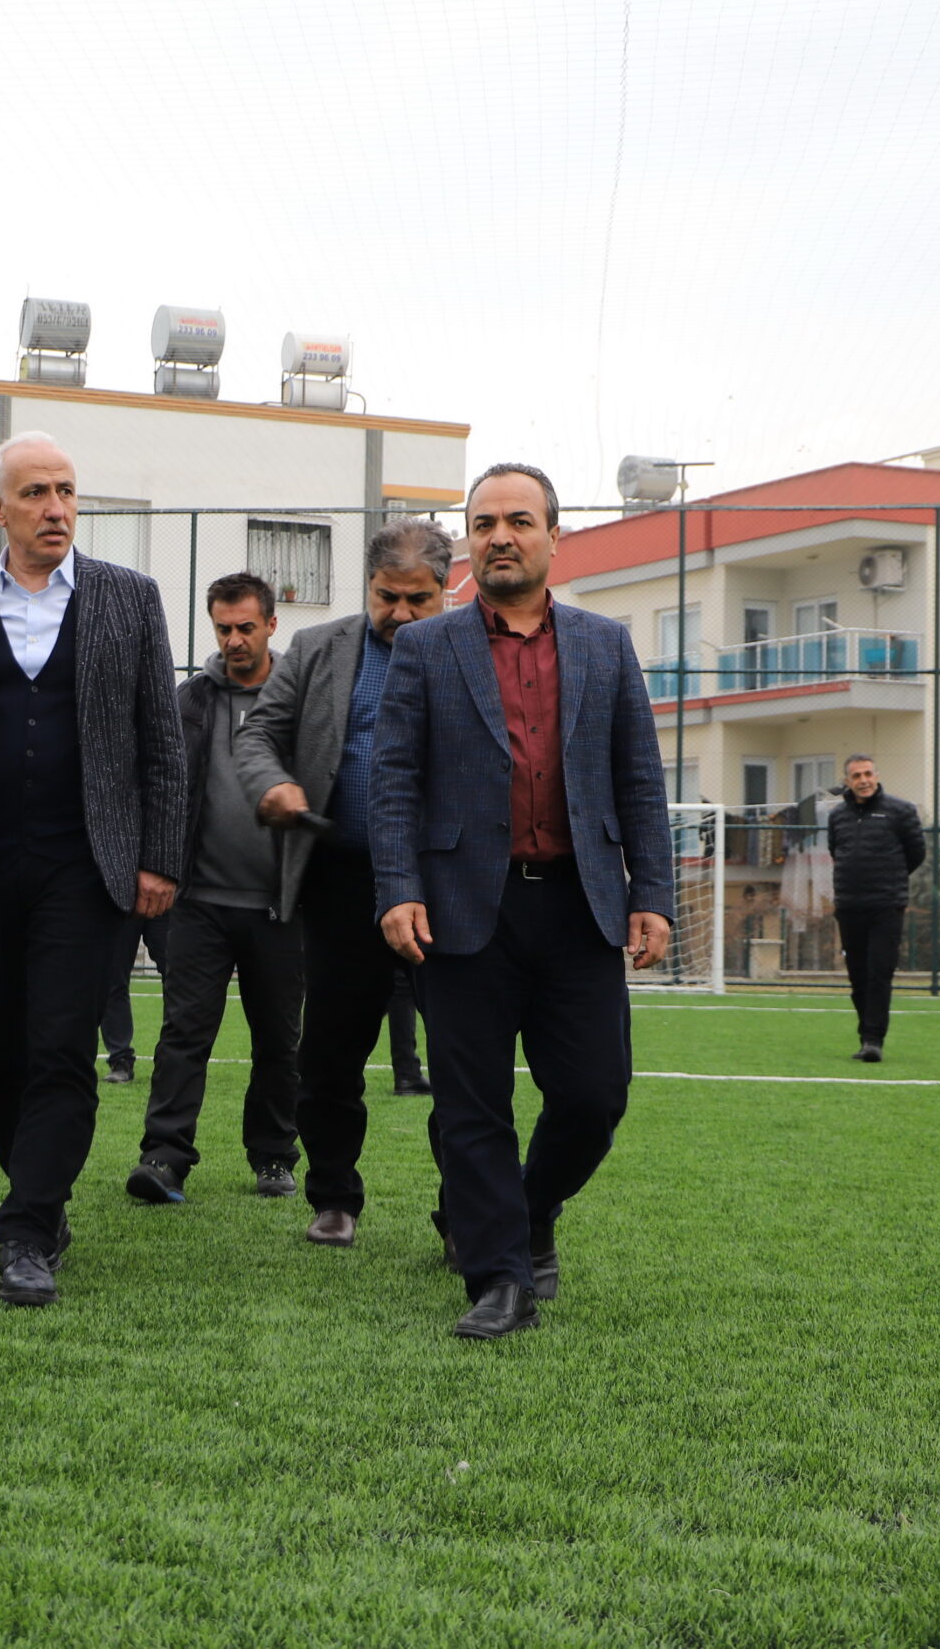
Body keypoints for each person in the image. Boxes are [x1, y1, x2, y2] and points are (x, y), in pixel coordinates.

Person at [0, 431, 184, 1306]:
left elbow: (162, 744)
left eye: (66, 491)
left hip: (88, 865)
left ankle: (25, 1227)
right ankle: (41, 1197)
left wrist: (160, 857)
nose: (56, 508)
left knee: (61, 1049)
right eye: (37, 493)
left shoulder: (130, 598)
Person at [371, 463, 673, 1340]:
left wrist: (652, 892)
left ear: (553, 536)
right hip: (462, 908)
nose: (500, 535)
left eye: (519, 520)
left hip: (580, 907)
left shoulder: (605, 645)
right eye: (484, 523)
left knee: (594, 1096)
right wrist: (397, 888)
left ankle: (530, 1212)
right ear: (469, 540)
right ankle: (500, 1278)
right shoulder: (426, 648)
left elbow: (639, 778)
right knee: (472, 1107)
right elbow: (393, 780)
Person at [232, 519, 453, 1248]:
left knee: (463, 1059)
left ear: (446, 591)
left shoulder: (473, 652)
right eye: (387, 596)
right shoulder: (317, 648)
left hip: (446, 885)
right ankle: (332, 1196)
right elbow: (258, 735)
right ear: (368, 586)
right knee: (328, 1055)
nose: (401, 612)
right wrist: (273, 784)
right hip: (341, 884)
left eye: (418, 599)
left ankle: (464, 1209)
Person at [124, 573, 301, 1204]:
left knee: (278, 1041)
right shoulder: (189, 701)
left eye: (246, 627)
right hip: (199, 902)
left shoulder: (300, 698)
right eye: (223, 628)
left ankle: (274, 1157)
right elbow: (159, 783)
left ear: (271, 625)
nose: (233, 640)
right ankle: (164, 1156)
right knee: (184, 1033)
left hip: (280, 907)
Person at [828, 753, 924, 1062]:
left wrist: (889, 880)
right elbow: (836, 851)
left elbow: (916, 854)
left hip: (886, 906)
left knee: (879, 974)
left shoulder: (901, 811)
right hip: (849, 906)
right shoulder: (837, 816)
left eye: (868, 774)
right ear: (848, 781)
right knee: (858, 976)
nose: (864, 780)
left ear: (877, 776)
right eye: (857, 776)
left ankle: (873, 1040)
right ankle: (865, 1036)